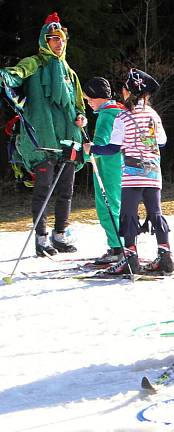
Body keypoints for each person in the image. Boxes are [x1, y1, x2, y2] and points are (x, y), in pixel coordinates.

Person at [0, 12, 86, 256]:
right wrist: (3, 76)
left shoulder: (70, 74)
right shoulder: (34, 63)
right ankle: (41, 238)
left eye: (61, 39)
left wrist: (82, 117)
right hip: (42, 140)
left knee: (66, 190)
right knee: (44, 189)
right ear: (44, 41)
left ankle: (60, 234)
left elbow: (78, 105)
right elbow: (14, 74)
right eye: (53, 39)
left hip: (69, 139)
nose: (58, 43)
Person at [84, 68, 172, 275]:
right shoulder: (153, 114)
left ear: (128, 92)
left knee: (128, 214)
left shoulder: (122, 117)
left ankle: (130, 258)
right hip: (153, 171)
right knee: (155, 213)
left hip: (132, 172)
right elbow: (162, 141)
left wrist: (92, 148)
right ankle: (165, 255)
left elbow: (112, 147)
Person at [82, 77, 125, 265]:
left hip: (108, 169)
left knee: (108, 207)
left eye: (89, 98)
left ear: (97, 96)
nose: (88, 102)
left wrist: (81, 154)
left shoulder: (106, 116)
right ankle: (124, 244)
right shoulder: (120, 110)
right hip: (124, 166)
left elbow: (99, 147)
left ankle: (117, 248)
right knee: (120, 205)